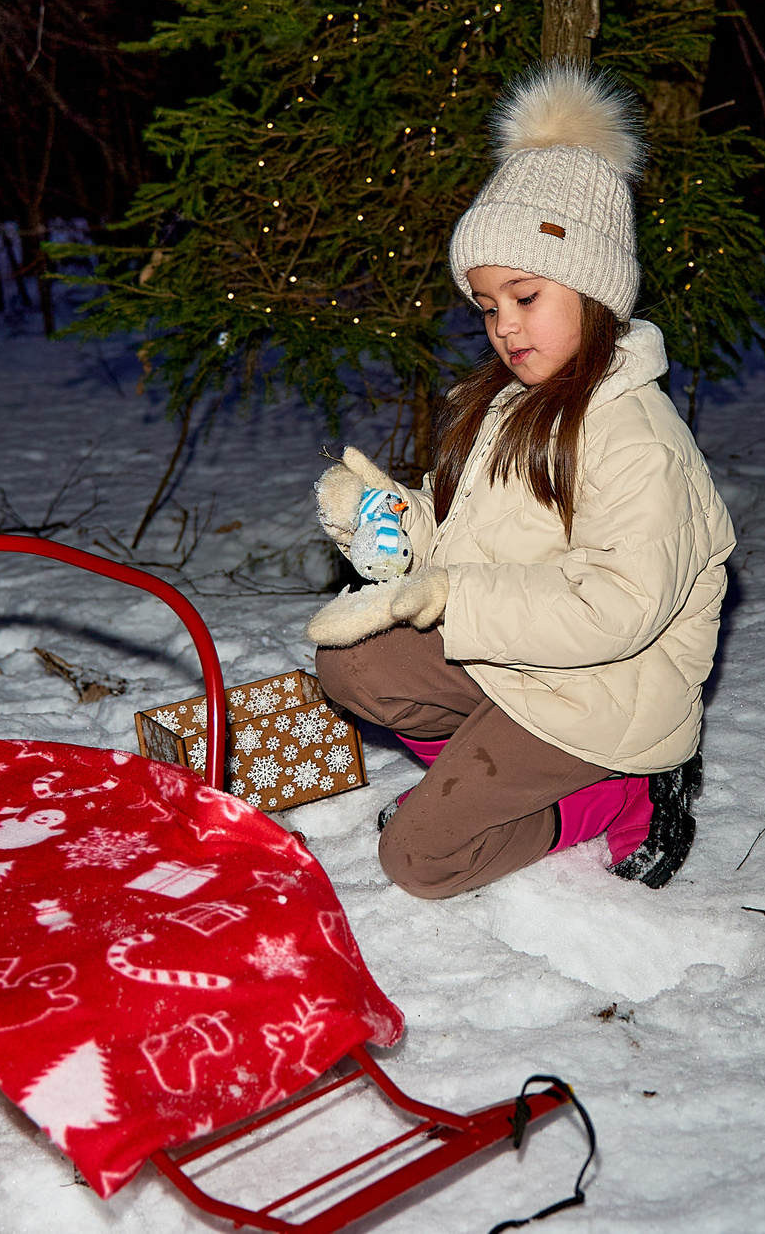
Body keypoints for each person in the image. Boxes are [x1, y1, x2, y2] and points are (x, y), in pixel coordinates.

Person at [304, 64, 736, 899]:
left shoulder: (638, 439)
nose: (505, 325)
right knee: (350, 664)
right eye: (488, 304)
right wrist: (390, 519)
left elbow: (614, 608)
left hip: (605, 697)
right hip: (528, 665)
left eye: (526, 295)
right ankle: (491, 767)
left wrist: (450, 599)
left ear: (595, 286)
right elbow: (463, 533)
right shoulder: (511, 404)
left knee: (419, 860)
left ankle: (619, 797)